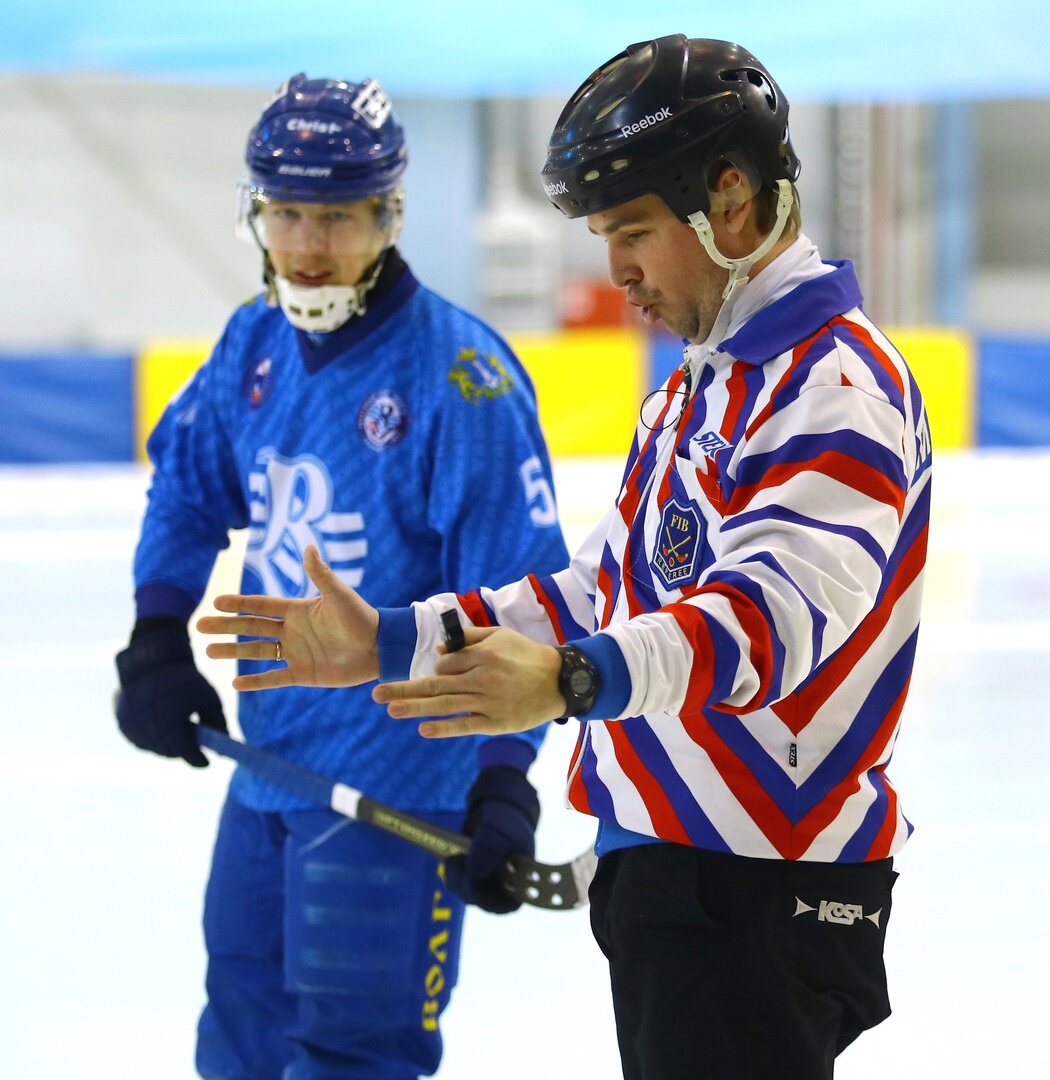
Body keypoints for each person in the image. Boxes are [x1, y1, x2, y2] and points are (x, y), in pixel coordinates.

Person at [196, 37, 933, 1080]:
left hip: (759, 886)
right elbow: (600, 589)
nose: (616, 269)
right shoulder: (707, 381)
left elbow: (769, 622)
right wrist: (393, 638)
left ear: (729, 199)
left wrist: (573, 679)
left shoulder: (833, 386)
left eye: (632, 230)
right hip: (678, 871)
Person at [113, 73, 568, 1080]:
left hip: (401, 782)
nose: (308, 245)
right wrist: (155, 637)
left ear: (386, 215)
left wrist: (505, 782)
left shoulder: (461, 377)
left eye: (337, 217)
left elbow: (524, 597)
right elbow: (187, 486)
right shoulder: (253, 342)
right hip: (270, 771)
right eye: (287, 213)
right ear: (256, 213)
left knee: (354, 1054)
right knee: (239, 1032)